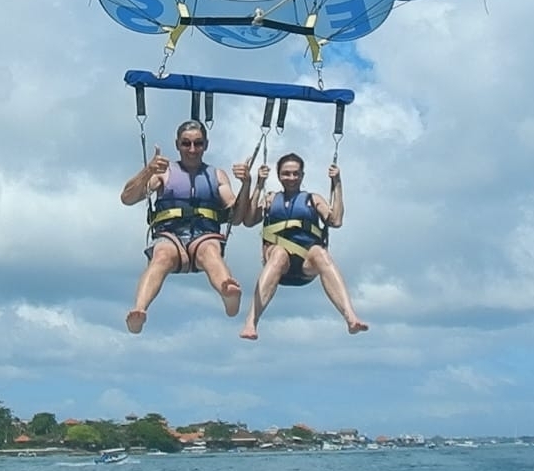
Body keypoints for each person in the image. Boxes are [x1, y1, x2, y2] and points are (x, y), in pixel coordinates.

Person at [119, 120, 251, 334]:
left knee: (210, 251)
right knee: (161, 255)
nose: (192, 149)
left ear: (206, 145)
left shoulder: (217, 176)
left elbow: (236, 217)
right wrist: (148, 171)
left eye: (198, 144)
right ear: (177, 145)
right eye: (186, 143)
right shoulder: (163, 172)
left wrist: (247, 184)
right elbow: (127, 198)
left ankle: (228, 292)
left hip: (204, 236)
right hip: (170, 235)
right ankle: (139, 310)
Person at [234, 152, 368, 340]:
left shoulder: (313, 200)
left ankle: (350, 317)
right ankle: (251, 322)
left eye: (296, 174)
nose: (291, 178)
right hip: (279, 264)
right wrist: (259, 185)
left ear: (302, 176)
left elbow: (336, 221)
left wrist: (337, 182)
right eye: (286, 173)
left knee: (320, 253)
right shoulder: (271, 199)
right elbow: (248, 221)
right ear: (279, 175)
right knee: (279, 253)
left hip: (307, 262)